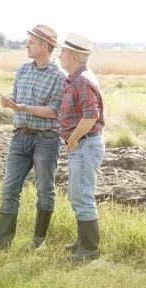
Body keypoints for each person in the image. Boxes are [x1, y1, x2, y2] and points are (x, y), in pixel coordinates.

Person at [0, 24, 67, 253]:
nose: (26, 45)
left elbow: (54, 111)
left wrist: (24, 108)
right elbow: (15, 95)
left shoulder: (59, 77)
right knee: (9, 188)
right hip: (19, 137)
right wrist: (9, 101)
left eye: (31, 41)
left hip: (46, 140)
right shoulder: (23, 70)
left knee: (44, 190)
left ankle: (38, 242)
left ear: (45, 46)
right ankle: (1, 244)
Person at [58, 32, 106, 262]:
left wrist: (74, 139)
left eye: (64, 52)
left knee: (82, 194)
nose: (60, 55)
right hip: (82, 144)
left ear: (74, 57)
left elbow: (90, 116)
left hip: (85, 144)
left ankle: (90, 249)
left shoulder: (83, 81)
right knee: (77, 194)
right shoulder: (76, 79)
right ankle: (83, 241)